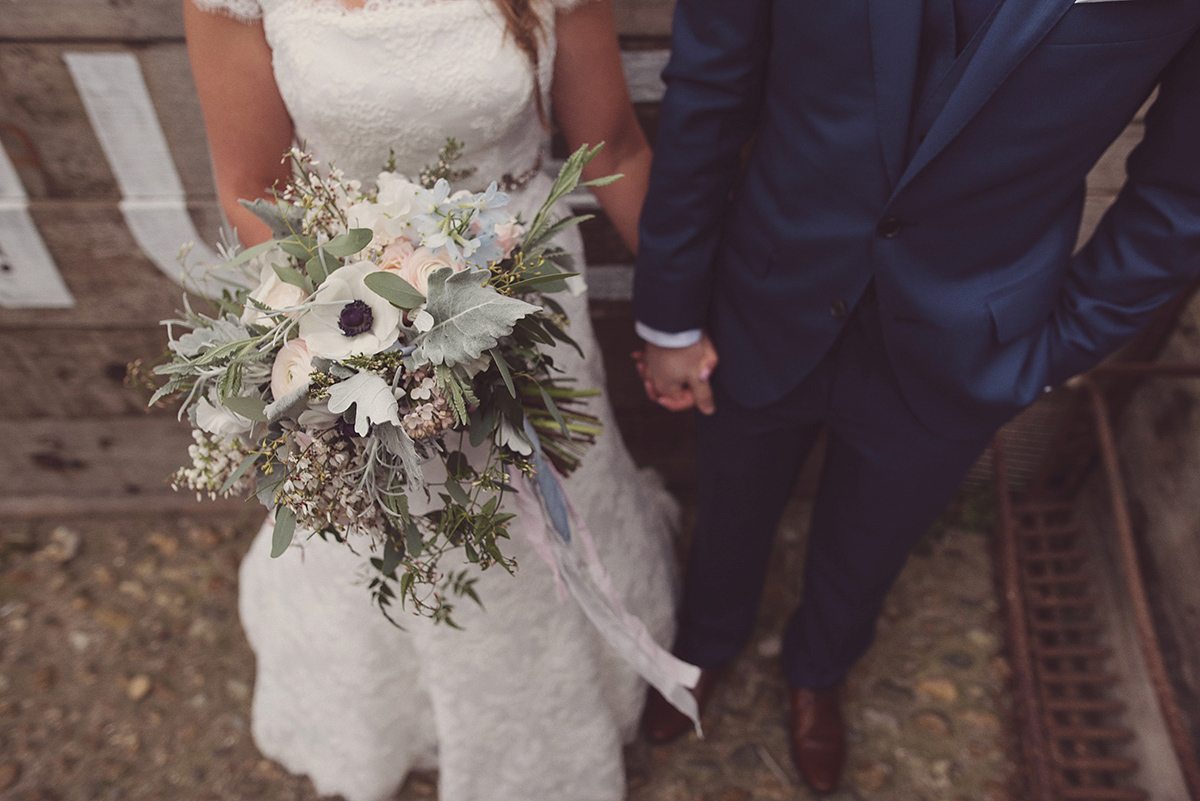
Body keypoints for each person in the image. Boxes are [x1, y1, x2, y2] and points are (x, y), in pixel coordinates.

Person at [634, 0, 1200, 793]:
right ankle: (707, 640)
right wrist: (670, 315)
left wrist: (1054, 349)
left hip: (971, 342)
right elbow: (710, 89)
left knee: (875, 537)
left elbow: (1181, 196)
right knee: (730, 499)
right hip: (766, 288)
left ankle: (820, 669)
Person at [183, 2, 680, 800]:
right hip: (353, 308)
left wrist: (684, 315)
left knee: (540, 520)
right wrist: (351, 330)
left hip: (526, 293)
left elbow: (613, 143)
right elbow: (252, 184)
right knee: (394, 521)